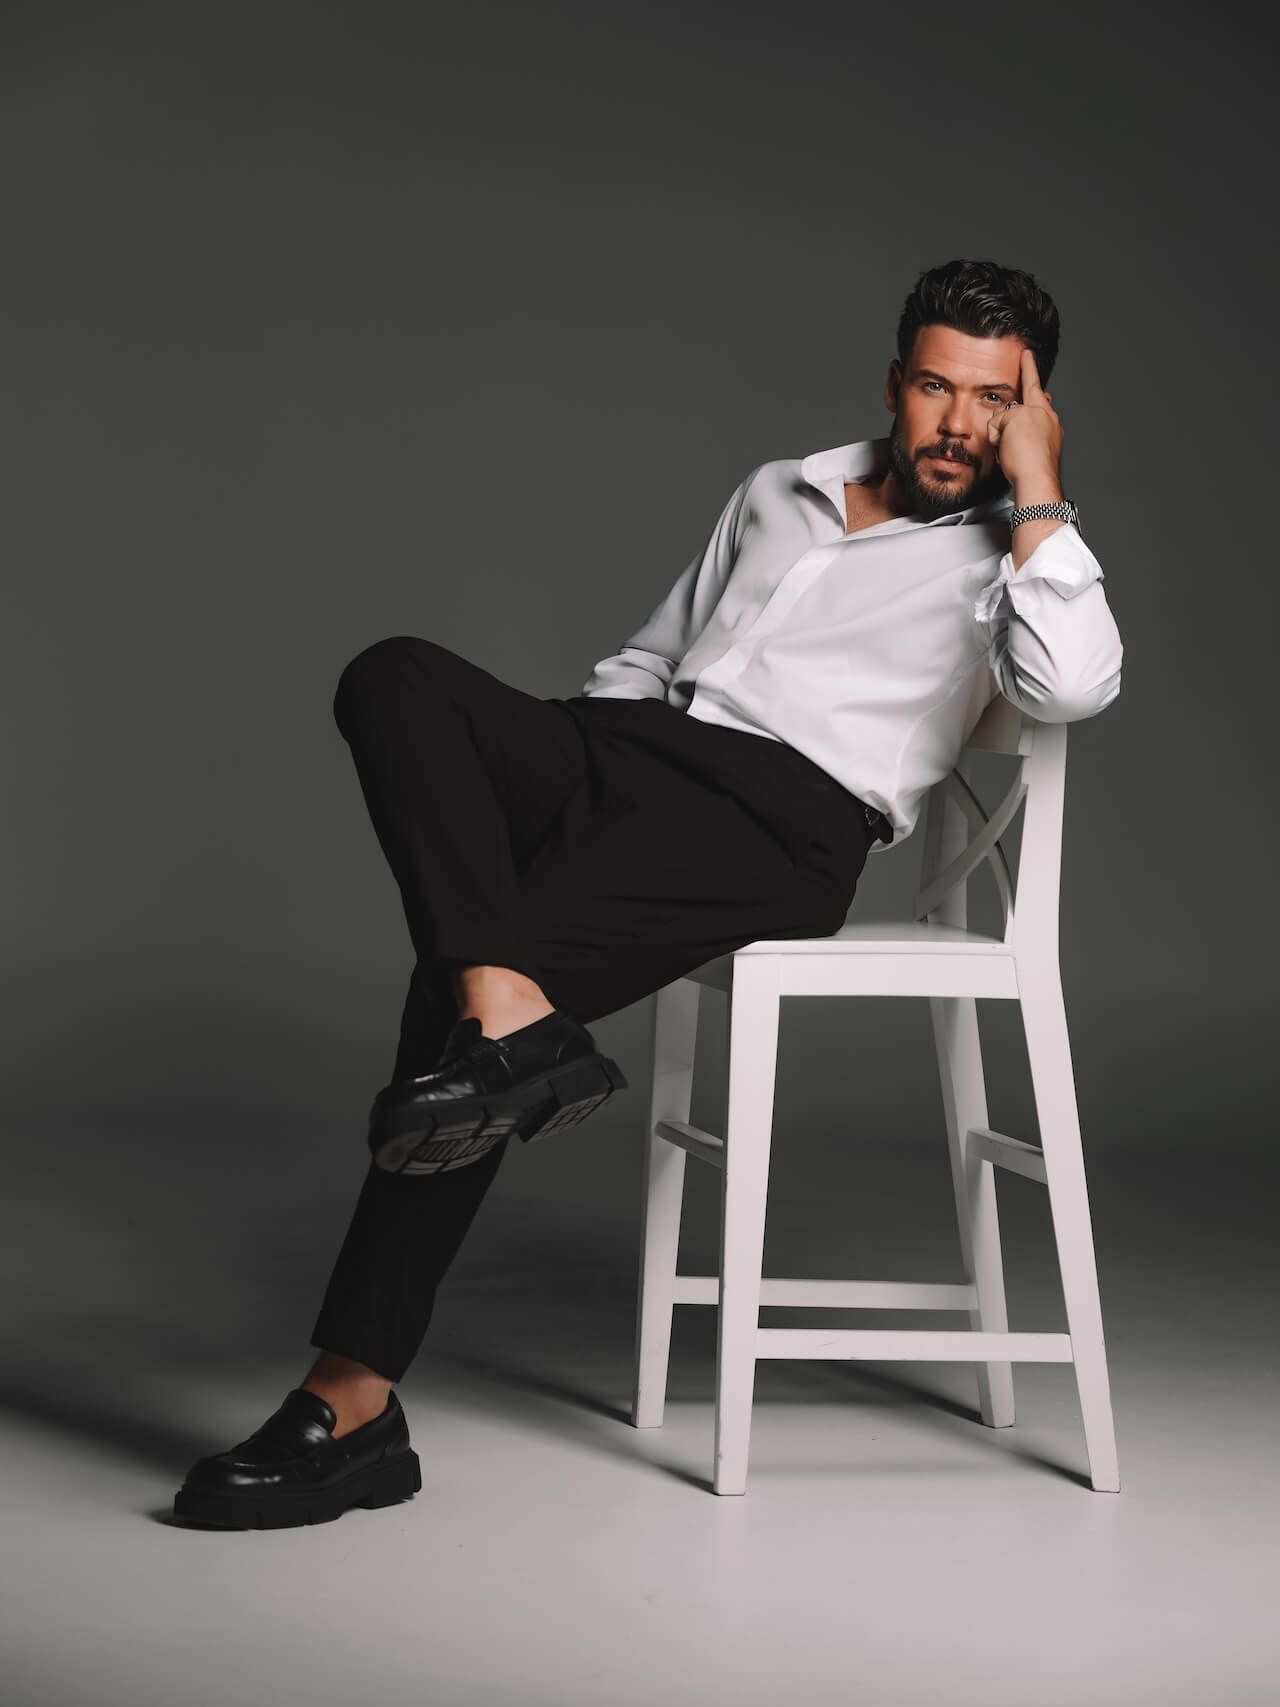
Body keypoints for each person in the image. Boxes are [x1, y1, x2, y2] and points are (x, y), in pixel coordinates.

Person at [172, 257, 1123, 1528]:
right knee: (393, 677)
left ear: (1029, 410)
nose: (959, 424)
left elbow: (1070, 686)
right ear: (895, 381)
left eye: (994, 400)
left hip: (782, 821)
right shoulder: (779, 489)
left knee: (452, 1000)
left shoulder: (1016, 553)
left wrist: (1038, 489)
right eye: (938, 388)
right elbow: (651, 656)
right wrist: (578, 767)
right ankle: (508, 1008)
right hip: (633, 756)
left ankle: (349, 1401)